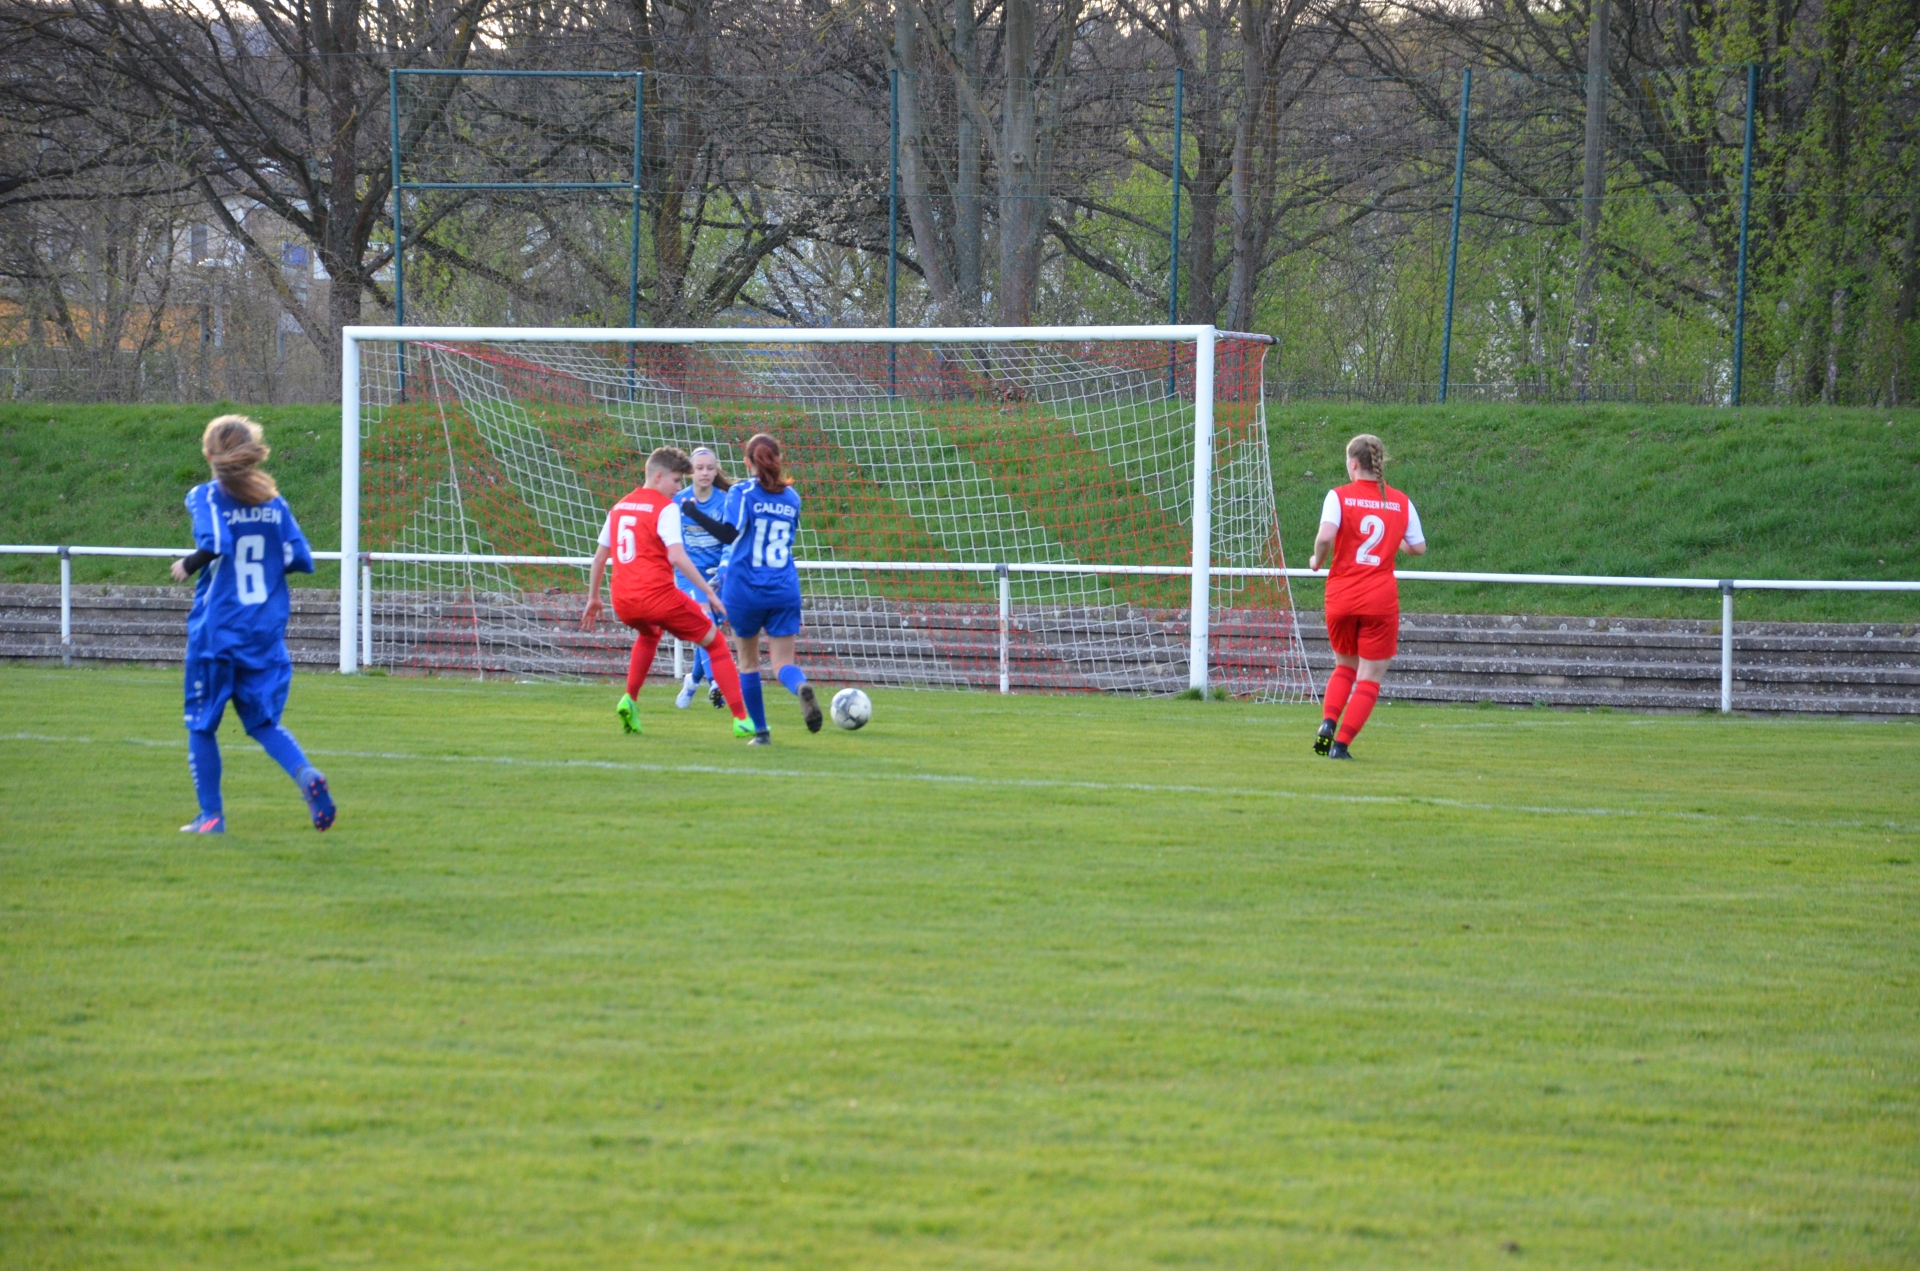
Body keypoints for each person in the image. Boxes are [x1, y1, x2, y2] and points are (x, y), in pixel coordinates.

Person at [171, 415, 335, 833]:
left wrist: (187, 565)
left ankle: (211, 818)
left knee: (201, 724)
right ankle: (306, 776)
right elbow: (302, 558)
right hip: (263, 632)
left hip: (218, 632)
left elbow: (214, 542)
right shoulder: (273, 503)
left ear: (209, 454)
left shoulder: (205, 495)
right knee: (263, 723)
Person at [580, 445, 752, 737]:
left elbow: (599, 558)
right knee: (716, 644)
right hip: (658, 598)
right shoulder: (666, 508)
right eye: (675, 480)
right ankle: (741, 719)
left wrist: (594, 598)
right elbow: (677, 557)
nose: (678, 488)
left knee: (649, 634)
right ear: (659, 477)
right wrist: (708, 593)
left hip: (623, 600)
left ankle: (629, 700)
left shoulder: (619, 506)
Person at [679, 433, 821, 744]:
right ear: (779, 460)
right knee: (783, 663)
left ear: (747, 462)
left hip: (746, 589)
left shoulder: (743, 492)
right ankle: (800, 687)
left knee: (748, 663)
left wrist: (694, 514)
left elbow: (729, 535)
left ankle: (761, 732)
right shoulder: (792, 498)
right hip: (784, 587)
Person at [1307, 433, 1426, 760]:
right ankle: (1341, 747)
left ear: (1353, 463)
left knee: (1344, 666)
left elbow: (1326, 535)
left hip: (1342, 595)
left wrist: (1317, 560)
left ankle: (1327, 726)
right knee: (1370, 677)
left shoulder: (1338, 496)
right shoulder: (1400, 501)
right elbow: (1418, 547)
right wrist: (1395, 541)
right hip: (1379, 599)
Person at [671, 447, 733, 711]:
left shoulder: (726, 500)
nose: (705, 473)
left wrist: (723, 570)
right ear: (691, 472)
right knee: (705, 623)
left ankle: (692, 680)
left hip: (718, 576)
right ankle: (716, 682)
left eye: (710, 468)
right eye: (700, 468)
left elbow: (731, 540)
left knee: (710, 632)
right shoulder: (679, 502)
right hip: (689, 576)